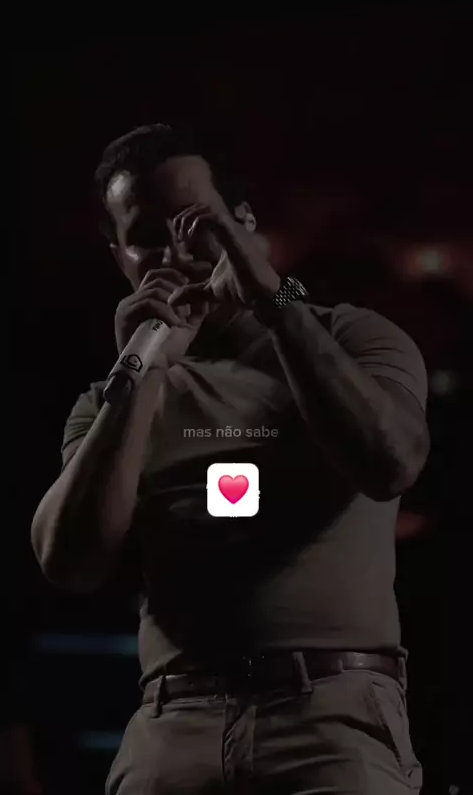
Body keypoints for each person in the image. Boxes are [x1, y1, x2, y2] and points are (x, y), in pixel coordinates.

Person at [31, 124, 430, 794]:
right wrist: (141, 373)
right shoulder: (114, 397)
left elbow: (391, 462)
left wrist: (271, 294)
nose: (174, 253)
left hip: (329, 715)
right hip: (172, 723)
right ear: (119, 256)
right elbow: (68, 562)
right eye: (145, 237)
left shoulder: (350, 336)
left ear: (245, 225)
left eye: (195, 225)